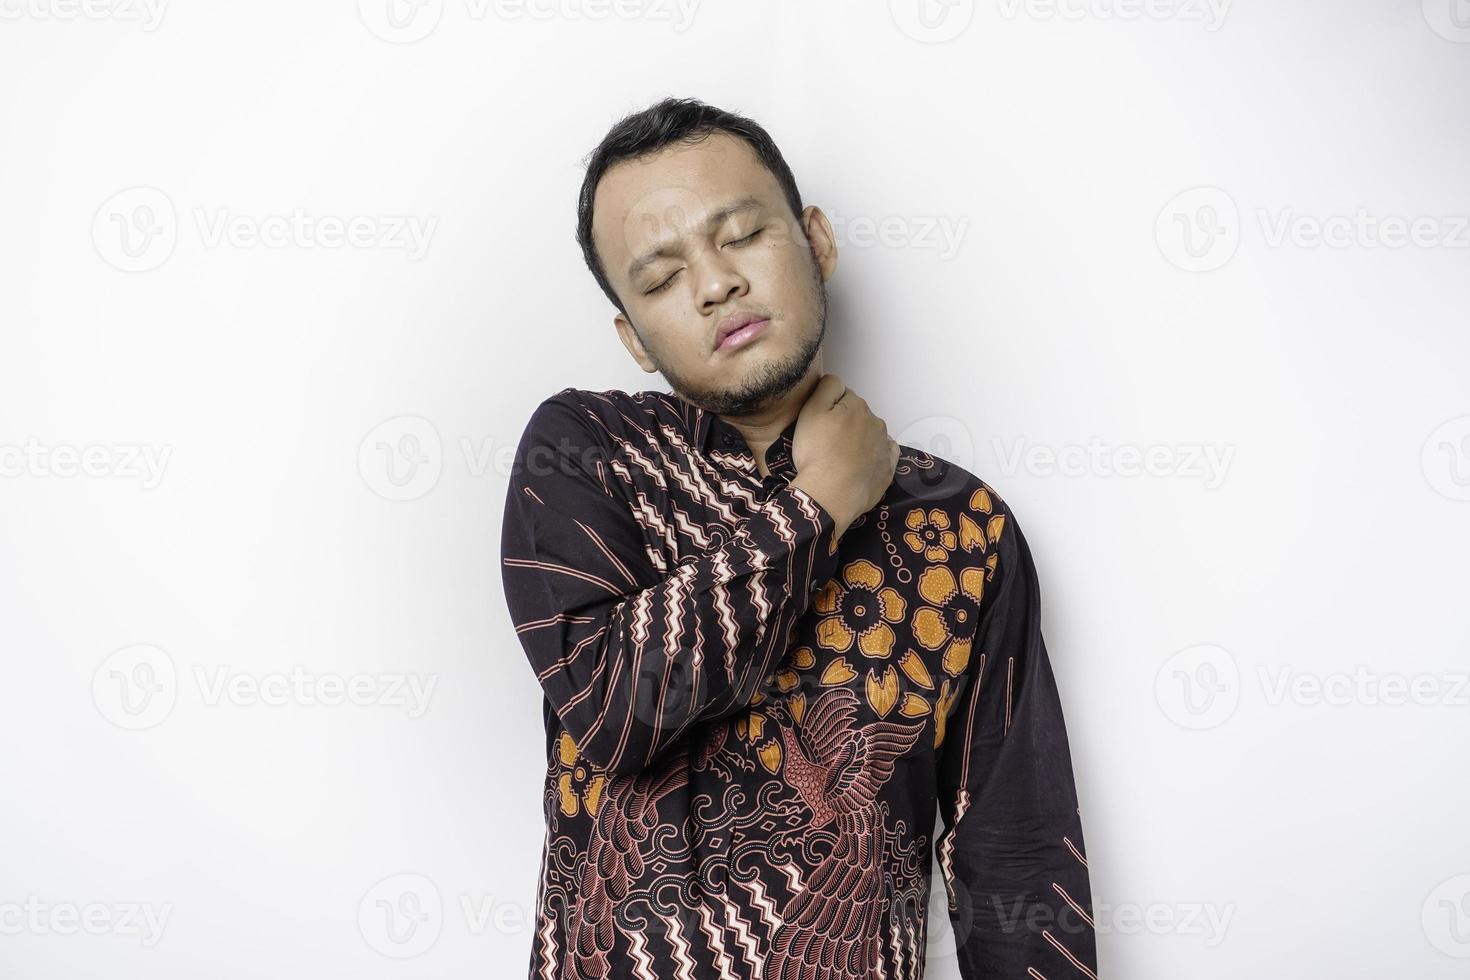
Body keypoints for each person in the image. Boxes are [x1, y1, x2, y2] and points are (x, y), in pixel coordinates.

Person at [500, 96, 1098, 980]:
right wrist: (821, 502)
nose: (715, 285)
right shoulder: (583, 452)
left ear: (815, 239)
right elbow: (614, 710)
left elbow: (1015, 856)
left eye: (740, 234)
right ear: (631, 337)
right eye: (662, 279)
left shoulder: (960, 527)